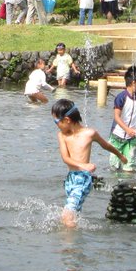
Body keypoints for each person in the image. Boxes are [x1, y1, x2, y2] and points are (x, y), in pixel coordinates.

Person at [52, 98, 126, 228]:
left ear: (67, 120)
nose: (56, 124)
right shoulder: (62, 135)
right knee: (73, 213)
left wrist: (120, 155)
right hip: (71, 179)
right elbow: (66, 158)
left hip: (83, 179)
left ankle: (67, 246)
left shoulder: (89, 133)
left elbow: (106, 145)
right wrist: (83, 165)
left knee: (66, 215)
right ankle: (76, 245)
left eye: (56, 121)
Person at [109, 66, 136, 171]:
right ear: (134, 83)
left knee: (129, 166)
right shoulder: (121, 97)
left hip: (132, 138)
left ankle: (128, 183)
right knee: (115, 166)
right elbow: (117, 117)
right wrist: (127, 129)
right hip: (117, 136)